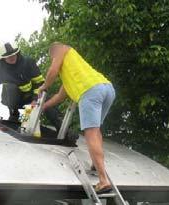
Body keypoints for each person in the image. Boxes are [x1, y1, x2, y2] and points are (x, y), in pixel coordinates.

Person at [38, 42, 116, 194]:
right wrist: (42, 107)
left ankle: (103, 180)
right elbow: (59, 96)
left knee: (90, 133)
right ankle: (96, 164)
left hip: (90, 91)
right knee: (96, 130)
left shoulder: (61, 49)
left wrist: (43, 87)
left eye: (52, 57)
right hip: (106, 89)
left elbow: (52, 70)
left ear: (53, 53)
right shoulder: (71, 72)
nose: (53, 59)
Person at [0, 41, 62, 131]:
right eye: (8, 56)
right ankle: (14, 113)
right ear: (2, 58)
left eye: (14, 54)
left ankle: (61, 128)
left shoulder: (28, 62)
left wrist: (35, 100)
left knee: (47, 100)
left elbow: (41, 84)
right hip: (12, 99)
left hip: (31, 98)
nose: (12, 57)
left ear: (18, 52)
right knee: (11, 87)